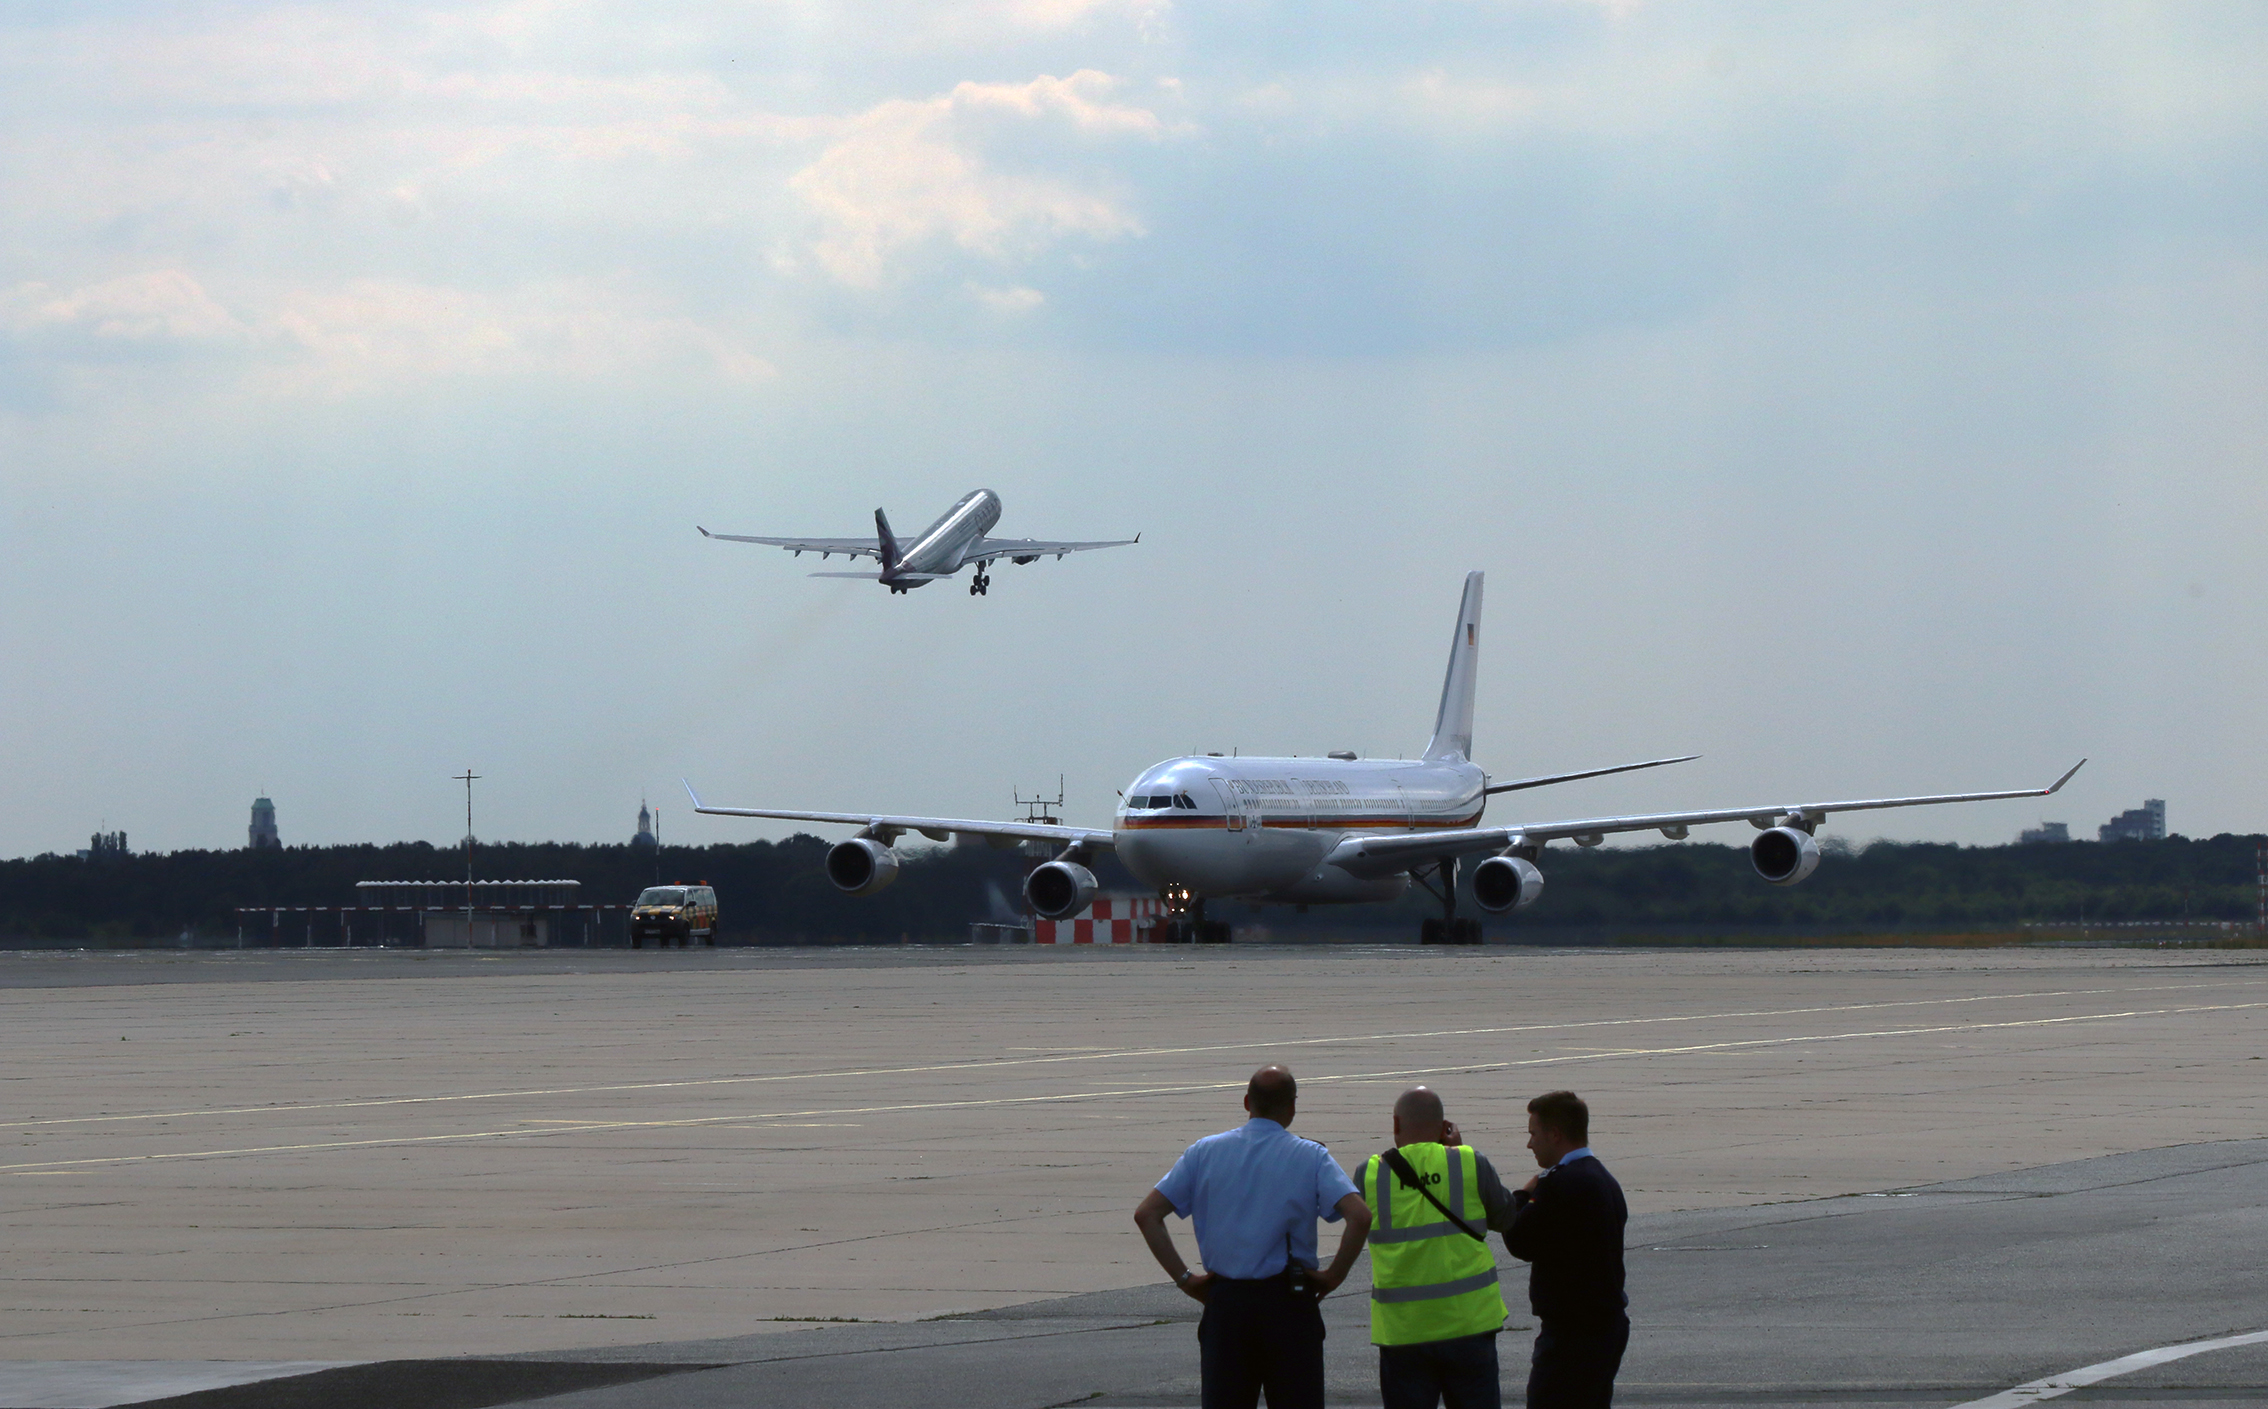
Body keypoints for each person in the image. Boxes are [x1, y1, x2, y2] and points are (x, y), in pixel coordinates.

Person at [1134, 1065, 1373, 1409]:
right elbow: (1360, 1216)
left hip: (1227, 1305)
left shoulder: (1204, 1152)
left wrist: (1186, 1279)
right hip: (1288, 1303)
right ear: (1292, 1107)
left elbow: (1147, 1215)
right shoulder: (1310, 1155)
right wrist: (1334, 1275)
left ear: (1247, 1102)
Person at [1357, 1086, 1521, 1409]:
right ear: (1445, 1125)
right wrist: (1456, 1153)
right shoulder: (1469, 1162)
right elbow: (1506, 1217)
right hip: (1469, 1325)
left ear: (1395, 1124)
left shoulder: (1370, 1174)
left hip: (1404, 1331)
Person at [1504, 1090, 1628, 1409]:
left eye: (1534, 1134)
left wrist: (1521, 1196)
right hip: (1602, 1327)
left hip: (1574, 1335)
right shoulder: (1603, 1179)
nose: (1529, 1144)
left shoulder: (1562, 1185)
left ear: (1555, 1135)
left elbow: (1519, 1239)